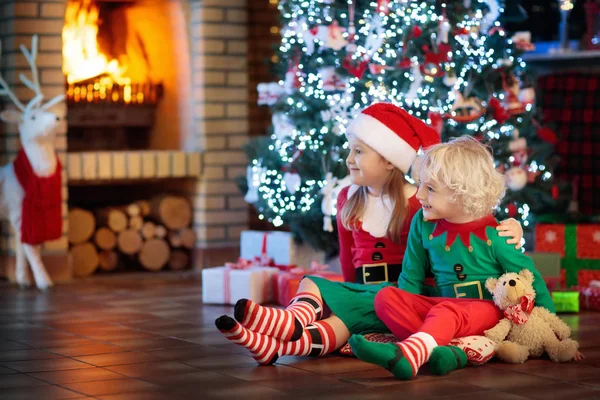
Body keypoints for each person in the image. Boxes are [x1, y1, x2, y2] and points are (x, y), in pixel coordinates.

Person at [215, 104, 523, 365]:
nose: (349, 159)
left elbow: (465, 225)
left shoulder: (423, 203)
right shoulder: (347, 199)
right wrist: (345, 294)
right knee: (319, 289)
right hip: (366, 290)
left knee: (345, 318)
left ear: (389, 160)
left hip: (402, 296)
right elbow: (349, 263)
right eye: (350, 150)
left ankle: (285, 334)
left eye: (359, 151)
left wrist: (513, 228)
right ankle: (281, 341)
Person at [348, 136, 569, 380]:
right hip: (440, 306)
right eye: (420, 184)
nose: (419, 194)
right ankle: (442, 350)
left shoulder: (495, 235)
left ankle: (411, 351)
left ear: (462, 194)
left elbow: (532, 278)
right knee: (386, 297)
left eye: (429, 188)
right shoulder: (421, 224)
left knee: (446, 313)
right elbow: (411, 276)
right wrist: (405, 303)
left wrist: (552, 325)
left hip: (485, 312)